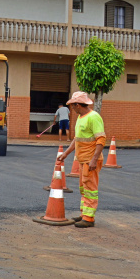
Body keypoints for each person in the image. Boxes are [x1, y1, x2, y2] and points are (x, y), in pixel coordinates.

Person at [58, 91, 106, 228]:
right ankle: (84, 214)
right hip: (82, 159)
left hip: (90, 160)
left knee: (90, 188)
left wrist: (94, 160)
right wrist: (66, 154)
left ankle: (89, 218)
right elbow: (77, 139)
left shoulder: (94, 117)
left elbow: (101, 139)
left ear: (78, 105)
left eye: (73, 105)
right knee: (84, 188)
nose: (72, 108)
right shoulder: (80, 118)